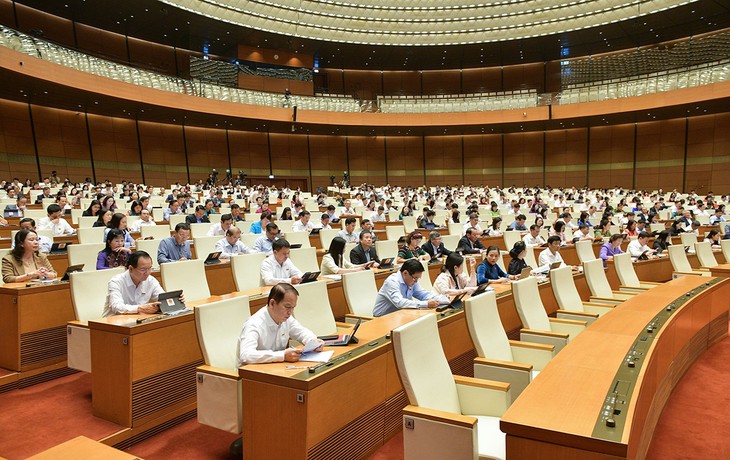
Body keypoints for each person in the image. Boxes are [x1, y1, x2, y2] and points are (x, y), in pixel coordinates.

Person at [237, 283, 324, 364]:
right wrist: (282, 355)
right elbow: (246, 355)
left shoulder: (286, 318)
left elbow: (302, 332)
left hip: (276, 369)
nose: (290, 312)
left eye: (293, 308)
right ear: (272, 303)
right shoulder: (254, 324)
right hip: (252, 374)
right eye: (287, 307)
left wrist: (313, 341)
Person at [103, 251, 184, 317]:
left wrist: (176, 300)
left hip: (137, 320)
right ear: (131, 269)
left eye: (150, 268)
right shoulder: (116, 282)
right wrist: (140, 308)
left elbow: (162, 299)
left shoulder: (151, 280)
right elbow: (117, 307)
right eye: (143, 270)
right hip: (113, 323)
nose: (148, 273)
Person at [373, 259, 449, 317]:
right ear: (405, 273)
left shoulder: (412, 280)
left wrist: (444, 300)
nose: (416, 281)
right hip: (382, 318)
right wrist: (426, 304)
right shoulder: (392, 282)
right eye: (415, 278)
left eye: (418, 279)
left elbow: (424, 295)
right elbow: (400, 303)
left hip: (401, 315)